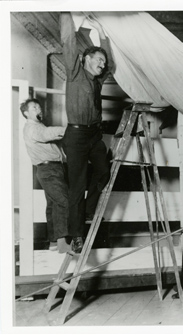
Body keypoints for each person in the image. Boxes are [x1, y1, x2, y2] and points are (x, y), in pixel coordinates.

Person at [60, 12, 114, 252]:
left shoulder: (97, 81)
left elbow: (111, 63)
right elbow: (67, 41)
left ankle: (89, 209)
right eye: (98, 60)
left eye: (102, 61)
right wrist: (68, 16)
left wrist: (102, 35)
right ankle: (77, 234)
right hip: (76, 137)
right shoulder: (74, 72)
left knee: (104, 172)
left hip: (94, 135)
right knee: (77, 186)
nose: (102, 64)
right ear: (85, 60)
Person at [20, 99, 74, 254]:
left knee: (53, 205)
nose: (39, 109)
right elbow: (45, 134)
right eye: (34, 107)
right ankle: (62, 243)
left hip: (51, 169)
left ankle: (53, 242)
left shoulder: (37, 126)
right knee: (64, 201)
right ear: (26, 113)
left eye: (39, 106)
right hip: (49, 169)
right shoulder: (32, 128)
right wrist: (69, 130)